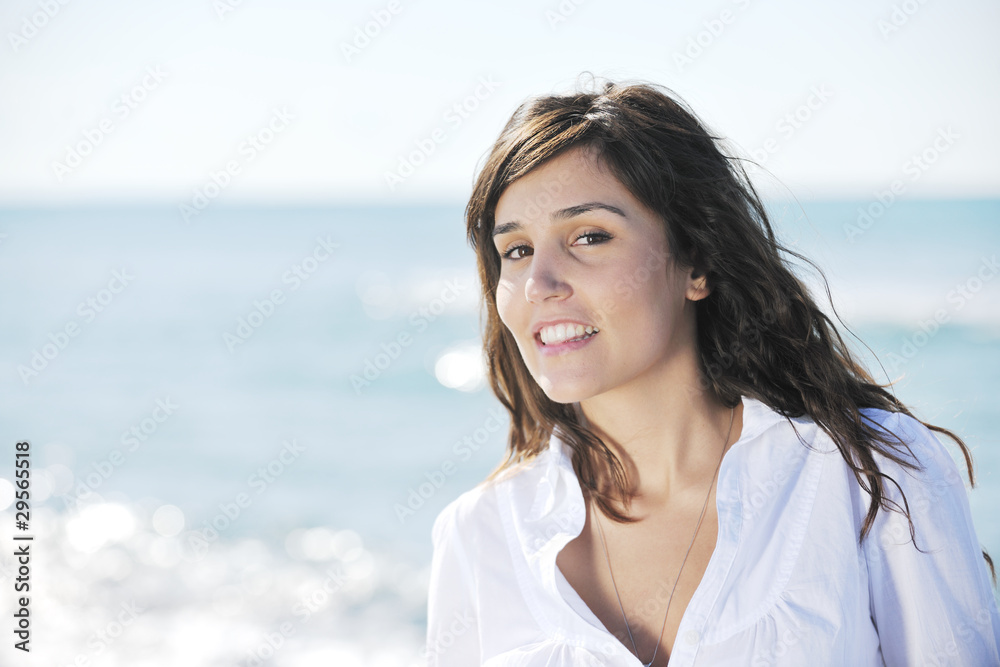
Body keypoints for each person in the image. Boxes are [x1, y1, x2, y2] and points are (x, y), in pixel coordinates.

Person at [424, 76, 1000, 666]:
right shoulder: (478, 536)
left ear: (695, 262)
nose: (540, 284)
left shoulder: (872, 479)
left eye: (590, 236)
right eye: (515, 250)